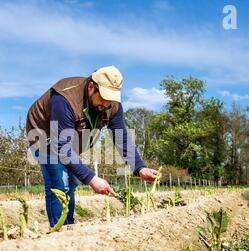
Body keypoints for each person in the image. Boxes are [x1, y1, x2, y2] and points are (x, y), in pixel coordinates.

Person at [26, 66, 158, 227]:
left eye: (110, 99)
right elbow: (61, 147)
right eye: (103, 98)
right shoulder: (64, 100)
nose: (106, 103)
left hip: (69, 139)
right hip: (43, 134)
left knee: (72, 182)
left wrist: (139, 167)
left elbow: (121, 137)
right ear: (91, 87)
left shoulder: (112, 105)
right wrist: (92, 179)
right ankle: (60, 230)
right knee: (59, 183)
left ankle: (69, 224)